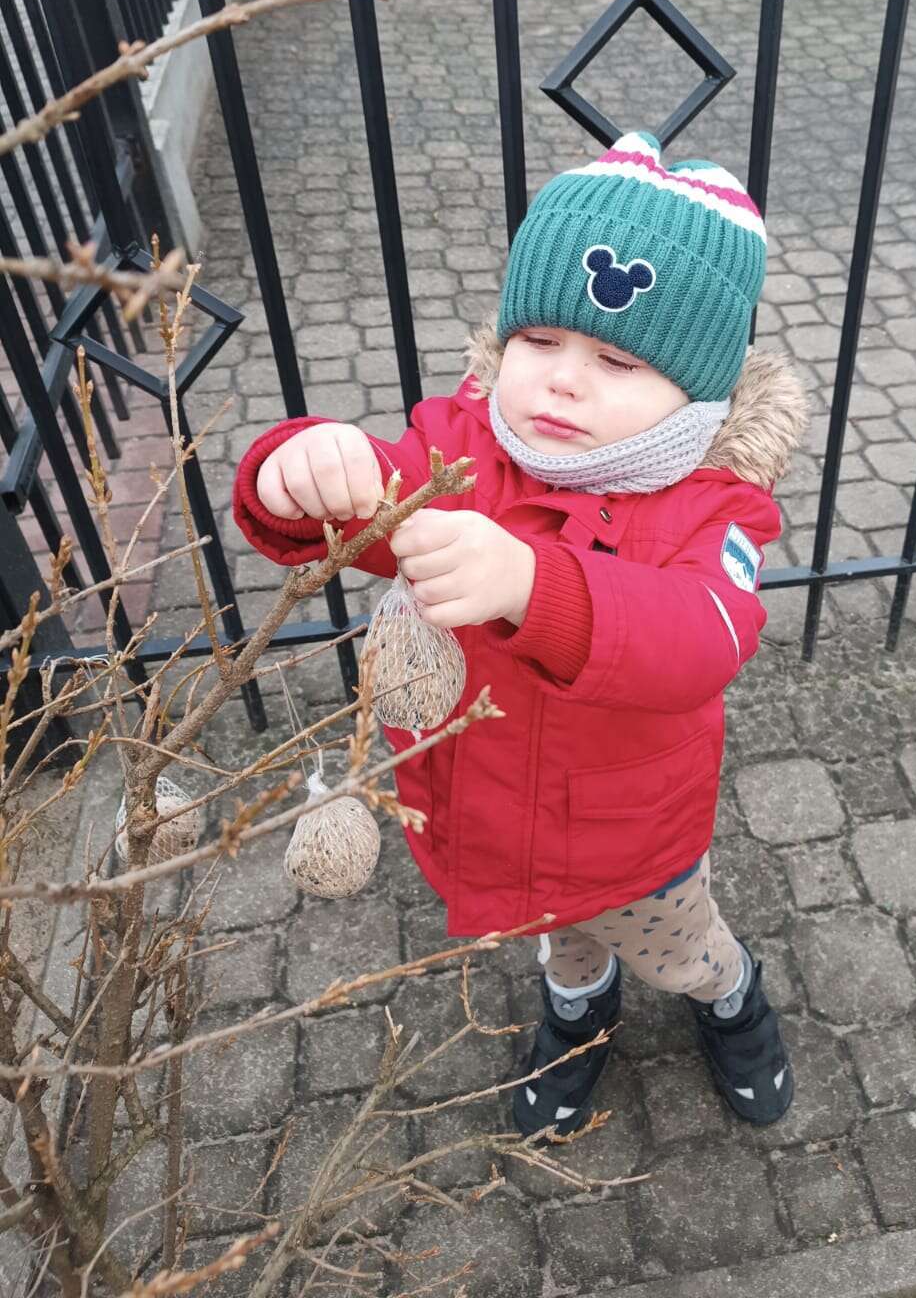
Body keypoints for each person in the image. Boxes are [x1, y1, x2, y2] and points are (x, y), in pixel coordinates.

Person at [232, 130, 809, 1134]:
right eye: (538, 341)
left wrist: (534, 584)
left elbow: (704, 636)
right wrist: (301, 472)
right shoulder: (462, 446)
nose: (561, 381)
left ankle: (730, 993)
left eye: (617, 359)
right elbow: (378, 500)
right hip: (494, 816)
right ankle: (579, 1011)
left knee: (673, 946)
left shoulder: (716, 507)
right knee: (564, 945)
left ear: (700, 389)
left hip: (631, 834)